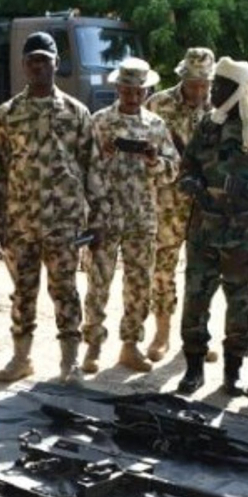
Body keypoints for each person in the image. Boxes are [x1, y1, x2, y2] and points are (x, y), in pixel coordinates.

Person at [0, 31, 103, 384]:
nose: (38, 66)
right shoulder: (7, 114)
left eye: (44, 60)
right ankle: (21, 358)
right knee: (23, 293)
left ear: (56, 64)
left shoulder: (77, 113)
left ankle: (70, 362)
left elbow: (93, 168)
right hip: (20, 223)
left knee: (66, 291)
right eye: (32, 60)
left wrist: (98, 220)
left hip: (64, 223)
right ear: (23, 65)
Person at [175, 56, 248, 396]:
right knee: (195, 301)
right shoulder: (207, 125)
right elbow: (187, 167)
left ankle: (233, 371)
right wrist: (193, 184)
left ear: (240, 89)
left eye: (222, 86)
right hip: (203, 231)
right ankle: (194, 368)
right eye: (214, 85)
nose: (213, 92)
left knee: (241, 306)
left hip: (243, 235)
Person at [81, 57, 179, 375]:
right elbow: (81, 167)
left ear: (146, 90)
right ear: (118, 88)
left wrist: (154, 160)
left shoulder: (156, 125)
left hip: (142, 216)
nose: (133, 97)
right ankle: (93, 345)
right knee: (98, 283)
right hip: (105, 216)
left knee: (139, 284)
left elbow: (173, 170)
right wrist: (104, 154)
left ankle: (131, 345)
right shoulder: (99, 122)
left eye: (139, 91)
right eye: (127, 90)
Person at [144, 46, 214, 363]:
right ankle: (162, 333)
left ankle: (197, 336)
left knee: (204, 274)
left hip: (205, 206)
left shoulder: (220, 108)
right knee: (162, 270)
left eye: (204, 85)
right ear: (182, 77)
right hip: (167, 202)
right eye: (193, 84)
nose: (198, 91)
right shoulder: (158, 104)